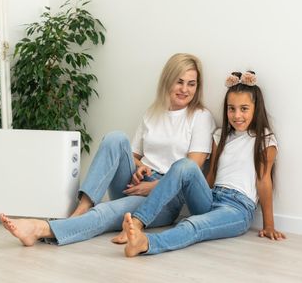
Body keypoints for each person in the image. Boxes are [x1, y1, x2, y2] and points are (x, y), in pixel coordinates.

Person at [0, 53, 216, 246]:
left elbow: (190, 170)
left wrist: (152, 188)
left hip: (165, 199)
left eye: (192, 84)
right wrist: (140, 167)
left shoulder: (200, 116)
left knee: (106, 210)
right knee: (115, 138)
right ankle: (82, 206)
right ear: (167, 80)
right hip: (137, 182)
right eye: (180, 82)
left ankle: (41, 229)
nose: (185, 89)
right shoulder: (153, 112)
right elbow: (133, 155)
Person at [122, 70, 286, 257]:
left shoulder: (264, 139)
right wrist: (198, 191)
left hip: (237, 208)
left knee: (193, 224)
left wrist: (269, 225)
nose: (237, 115)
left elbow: (264, 181)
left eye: (244, 108)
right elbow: (211, 175)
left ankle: (146, 243)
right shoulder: (219, 136)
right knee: (185, 165)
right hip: (211, 198)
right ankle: (138, 221)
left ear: (256, 108)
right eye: (231, 108)